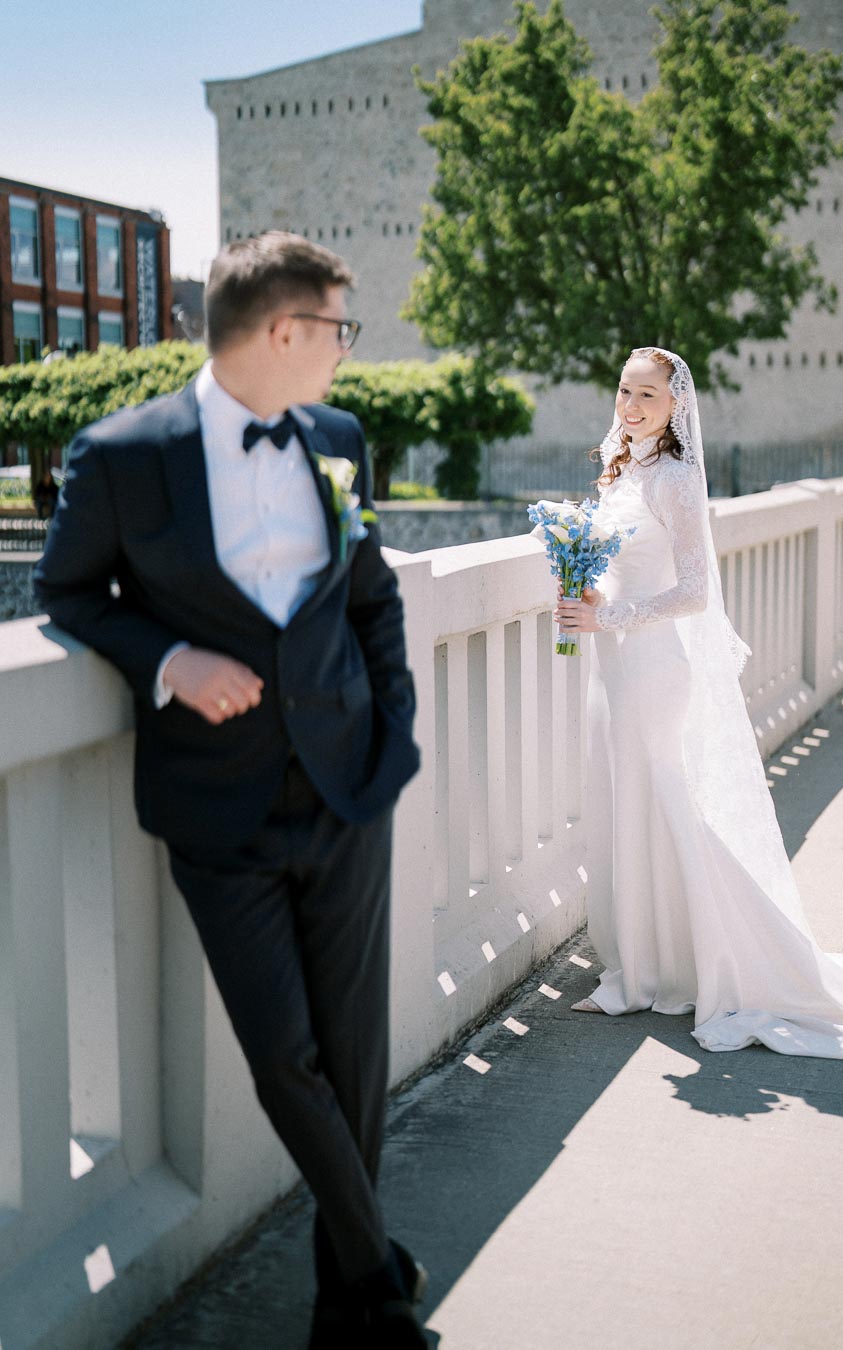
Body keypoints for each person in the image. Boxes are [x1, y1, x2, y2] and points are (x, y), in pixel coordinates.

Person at [34, 232, 428, 1348]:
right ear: (283, 332)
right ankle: (381, 1283)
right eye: (340, 330)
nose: (348, 354)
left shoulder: (340, 439)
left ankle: (344, 1306)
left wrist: (393, 731)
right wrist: (169, 662)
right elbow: (68, 593)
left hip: (351, 787)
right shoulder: (121, 453)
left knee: (353, 1058)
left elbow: (371, 600)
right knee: (285, 1060)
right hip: (219, 812)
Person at [555, 345, 843, 1060]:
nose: (632, 405)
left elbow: (694, 593)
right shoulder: (625, 467)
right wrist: (590, 592)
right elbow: (627, 567)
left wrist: (613, 619)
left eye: (648, 395)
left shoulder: (675, 478)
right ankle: (642, 967)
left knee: (666, 802)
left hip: (653, 664)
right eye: (625, 391)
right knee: (629, 803)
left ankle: (702, 966)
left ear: (676, 404)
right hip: (615, 660)